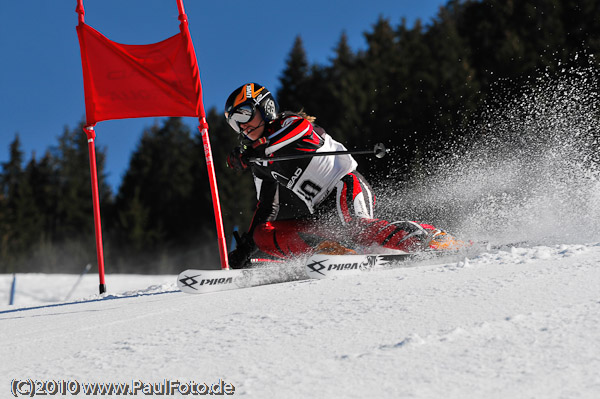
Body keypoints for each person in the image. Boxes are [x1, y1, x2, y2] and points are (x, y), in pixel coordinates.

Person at [224, 83, 464, 269]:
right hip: (321, 212)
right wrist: (247, 247)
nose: (242, 126)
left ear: (265, 107)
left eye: (244, 115)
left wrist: (253, 152)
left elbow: (297, 134)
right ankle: (330, 253)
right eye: (234, 124)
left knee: (357, 227)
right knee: (262, 232)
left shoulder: (289, 124)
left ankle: (430, 238)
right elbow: (267, 207)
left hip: (346, 185)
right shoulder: (259, 161)